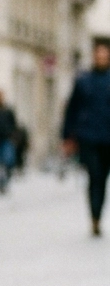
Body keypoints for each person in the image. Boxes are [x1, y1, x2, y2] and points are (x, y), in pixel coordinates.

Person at [62, 41, 110, 235]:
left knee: (103, 178)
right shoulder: (83, 80)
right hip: (88, 136)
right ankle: (94, 218)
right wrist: (66, 136)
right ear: (93, 57)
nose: (101, 59)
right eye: (98, 55)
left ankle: (97, 215)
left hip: (108, 138)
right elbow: (71, 110)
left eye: (104, 56)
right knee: (93, 175)